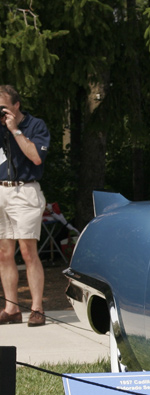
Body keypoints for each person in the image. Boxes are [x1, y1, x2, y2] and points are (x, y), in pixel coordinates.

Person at [0, 85, 50, 327]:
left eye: (2, 106)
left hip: (25, 190)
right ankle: (11, 308)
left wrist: (14, 130)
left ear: (16, 105)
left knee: (28, 251)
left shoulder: (35, 125)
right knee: (4, 253)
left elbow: (36, 156)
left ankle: (37, 307)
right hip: (1, 191)